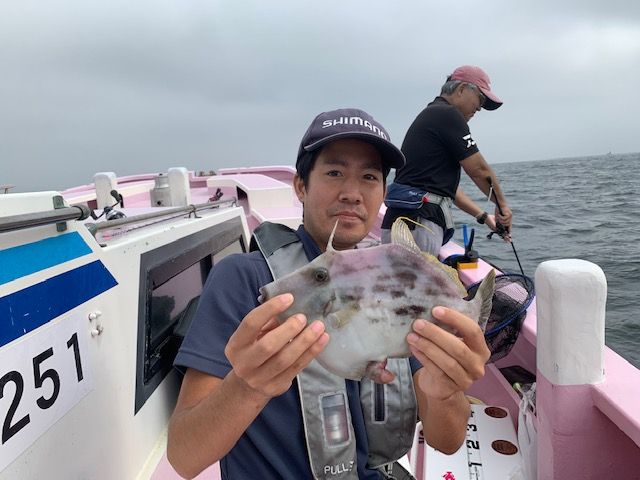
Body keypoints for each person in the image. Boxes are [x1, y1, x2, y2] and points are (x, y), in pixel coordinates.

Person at [167, 108, 491, 480]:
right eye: (335, 172)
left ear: (383, 193)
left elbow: (447, 441)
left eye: (369, 177)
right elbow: (184, 457)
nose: (352, 194)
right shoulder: (243, 279)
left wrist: (445, 392)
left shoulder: (399, 283)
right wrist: (246, 386)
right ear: (300, 186)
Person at [381, 65, 513, 255]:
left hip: (403, 223)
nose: (480, 107)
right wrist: (503, 207)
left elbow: (451, 192)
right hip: (418, 224)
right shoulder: (448, 114)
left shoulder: (434, 115)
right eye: (480, 98)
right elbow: (479, 170)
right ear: (461, 89)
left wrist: (485, 217)